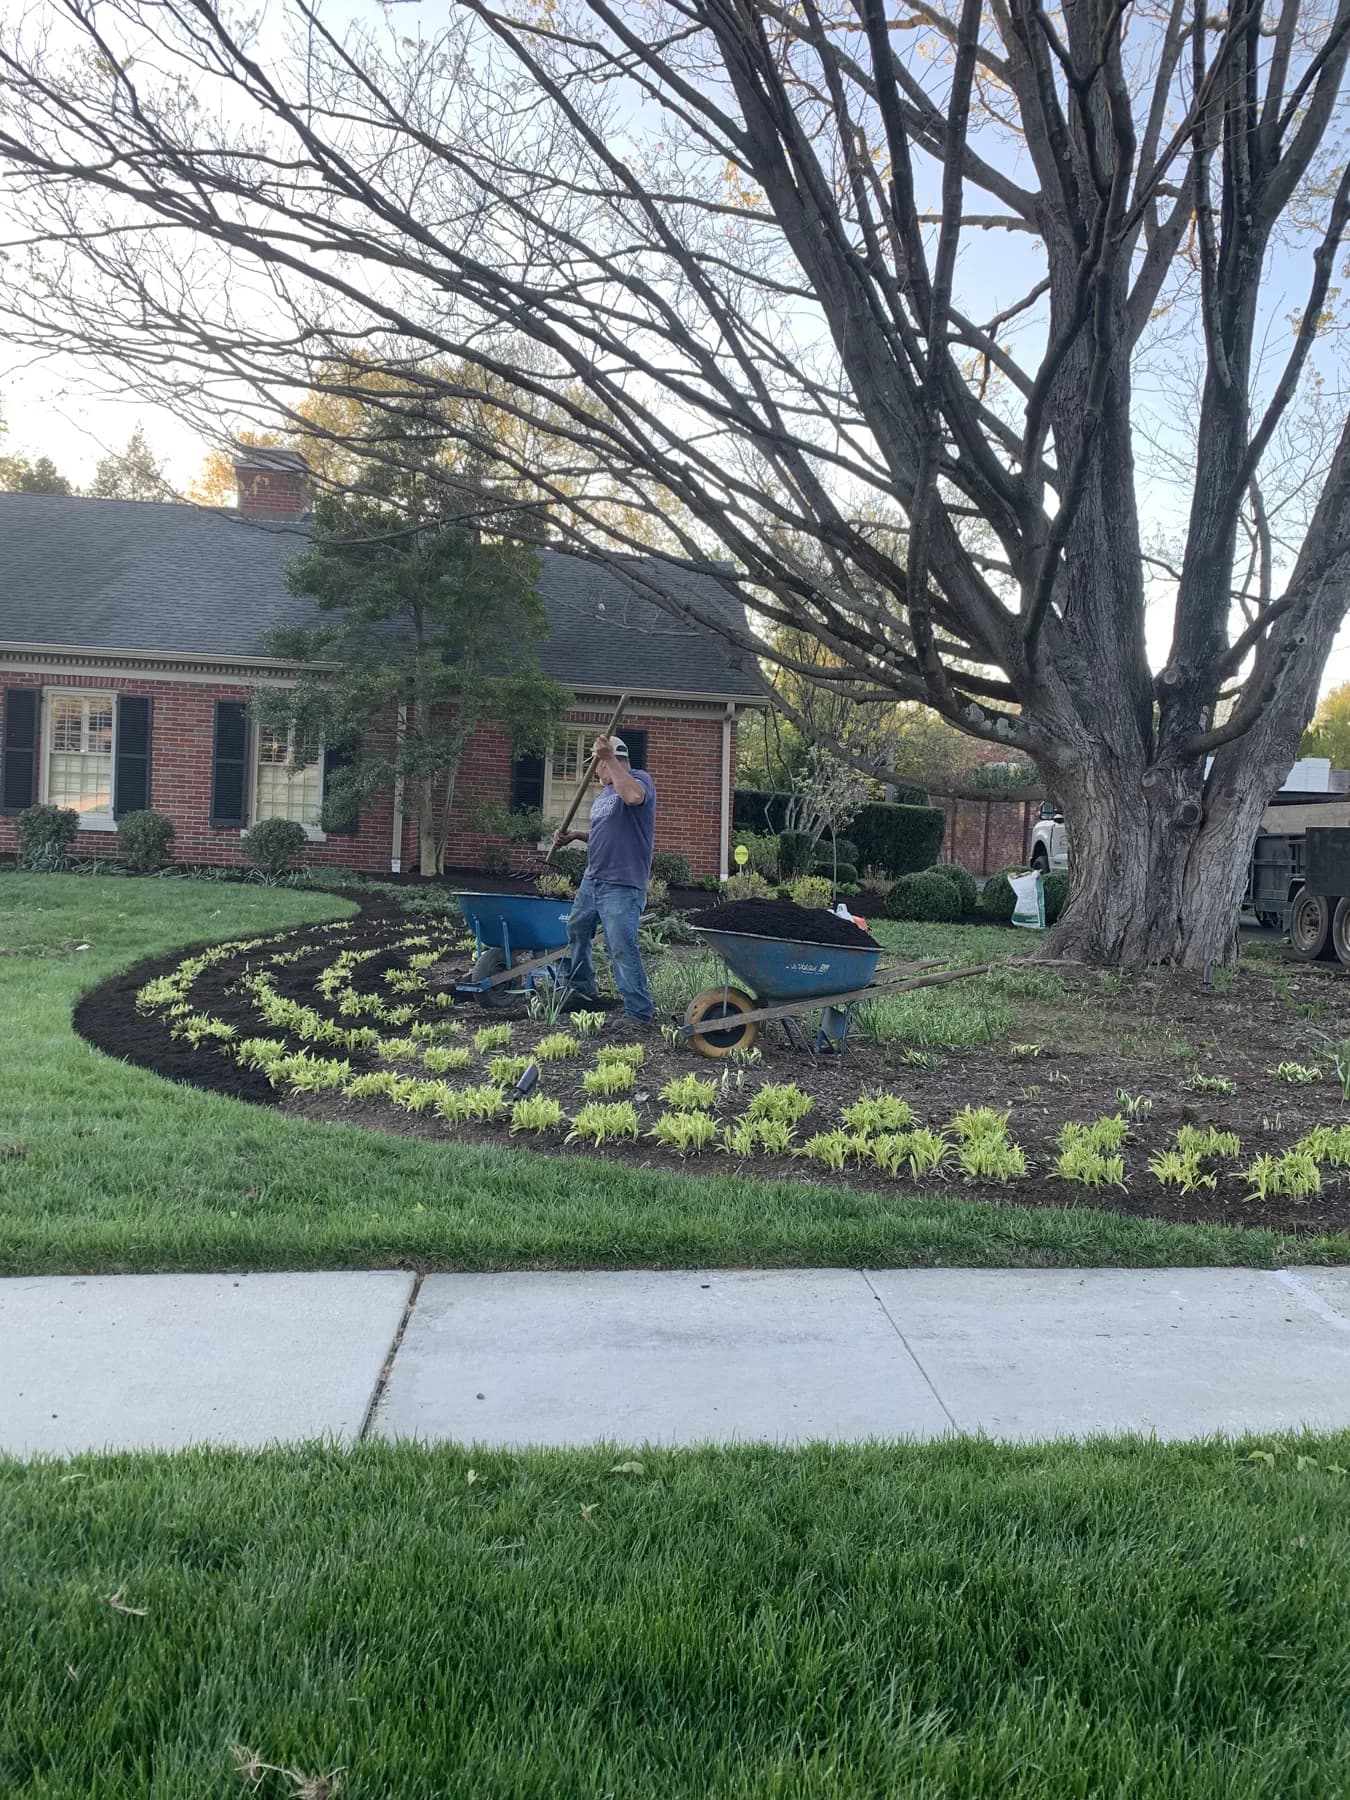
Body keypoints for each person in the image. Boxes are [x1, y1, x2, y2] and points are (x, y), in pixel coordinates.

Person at [552, 734, 656, 1027]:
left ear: (604, 760)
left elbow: (634, 797)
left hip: (621, 884)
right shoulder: (606, 794)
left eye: (595, 764)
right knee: (577, 930)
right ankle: (582, 990)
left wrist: (608, 758)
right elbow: (606, 833)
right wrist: (575, 836)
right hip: (592, 879)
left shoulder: (639, 779)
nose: (594, 771)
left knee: (620, 945)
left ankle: (638, 1012)